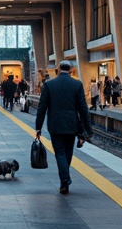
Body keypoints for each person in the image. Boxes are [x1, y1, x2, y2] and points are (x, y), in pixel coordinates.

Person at [35, 61, 92, 195]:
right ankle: (64, 181)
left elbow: (42, 107)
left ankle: (64, 181)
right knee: (68, 153)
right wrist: (87, 129)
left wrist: (38, 127)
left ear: (59, 69)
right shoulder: (77, 84)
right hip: (72, 124)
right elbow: (83, 109)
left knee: (59, 153)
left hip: (55, 124)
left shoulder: (49, 84)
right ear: (71, 70)